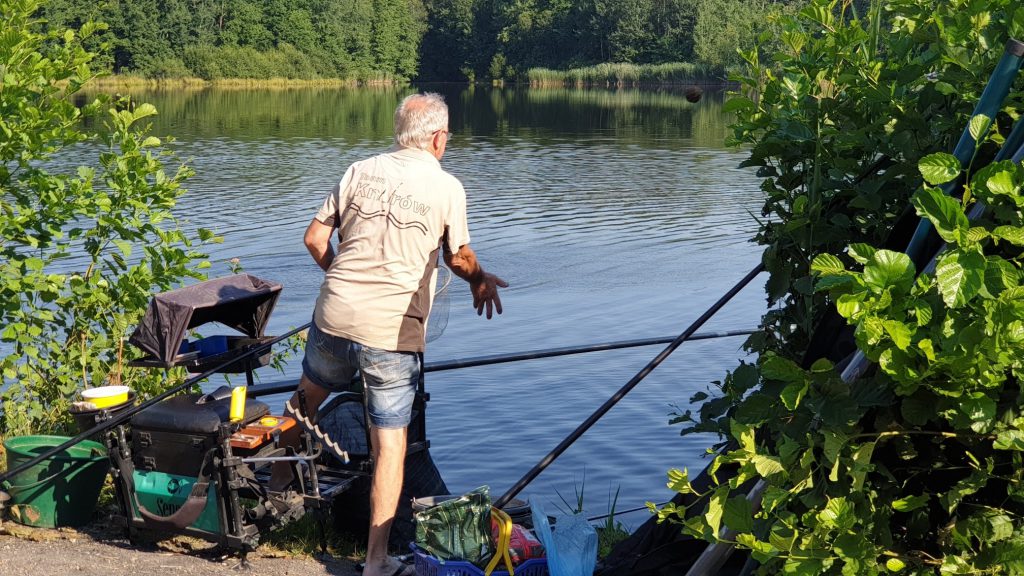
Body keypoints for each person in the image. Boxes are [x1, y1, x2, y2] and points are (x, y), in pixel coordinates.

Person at [272, 92, 507, 576]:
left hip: (333, 316)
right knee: (391, 446)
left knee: (303, 404)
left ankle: (271, 502)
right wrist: (480, 279)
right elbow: (458, 257)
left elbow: (314, 239)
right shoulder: (446, 187)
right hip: (390, 333)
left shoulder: (358, 170)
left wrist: (343, 279)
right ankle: (376, 561)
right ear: (438, 138)